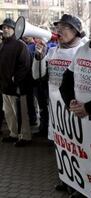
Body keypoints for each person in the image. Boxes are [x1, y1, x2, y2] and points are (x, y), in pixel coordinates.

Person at [34, 14, 85, 196]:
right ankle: (65, 179)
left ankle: (79, 185)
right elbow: (37, 75)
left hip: (73, 109)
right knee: (61, 147)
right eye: (58, 27)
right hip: (55, 109)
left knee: (76, 148)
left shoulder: (83, 51)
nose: (59, 31)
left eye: (64, 27)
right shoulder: (52, 51)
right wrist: (38, 57)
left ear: (75, 31)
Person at [0, 18, 32, 147]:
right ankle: (13, 133)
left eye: (8, 27)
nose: (5, 29)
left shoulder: (20, 45)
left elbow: (24, 65)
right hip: (4, 87)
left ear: (14, 29)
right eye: (4, 27)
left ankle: (25, 136)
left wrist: (15, 81)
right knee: (9, 113)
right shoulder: (2, 45)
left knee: (21, 113)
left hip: (17, 87)